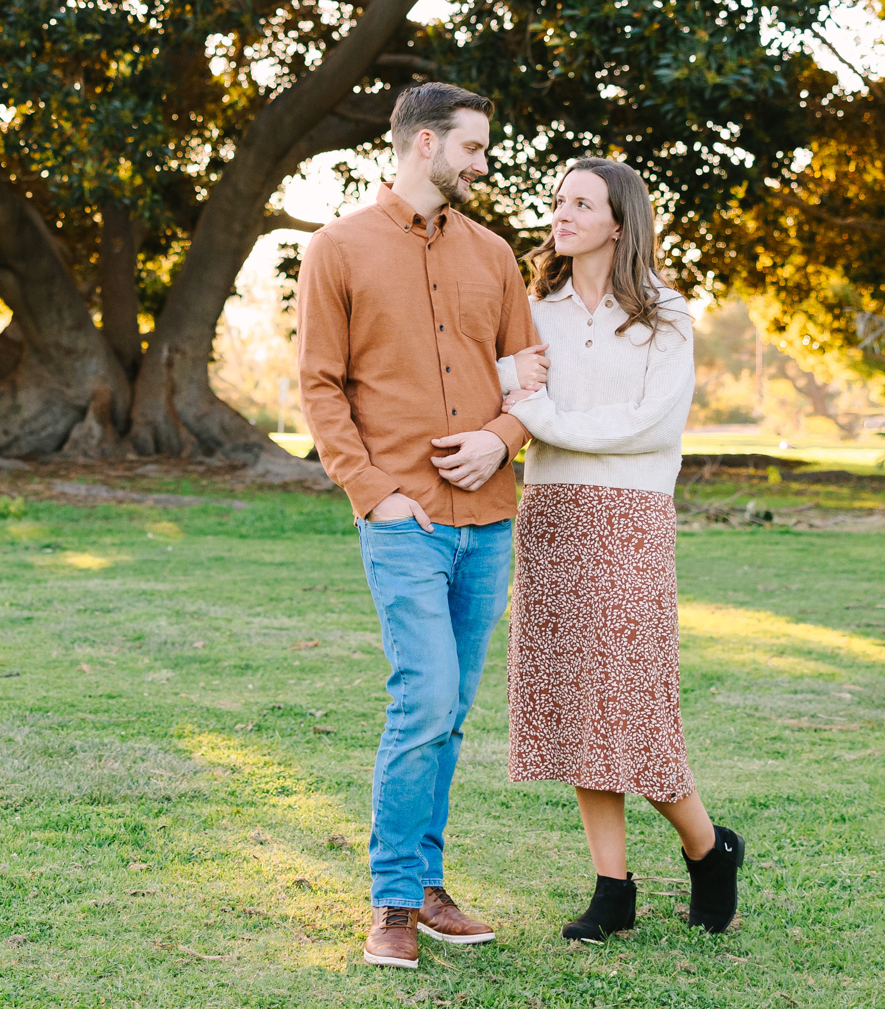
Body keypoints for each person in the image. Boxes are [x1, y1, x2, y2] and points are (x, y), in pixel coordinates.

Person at [296, 81, 550, 970]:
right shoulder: (337, 249)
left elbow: (529, 382)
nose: (484, 163)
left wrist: (501, 437)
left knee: (453, 710)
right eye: (474, 148)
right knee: (426, 698)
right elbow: (320, 386)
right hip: (402, 518)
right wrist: (371, 490)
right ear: (425, 144)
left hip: (487, 521)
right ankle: (395, 901)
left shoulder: (497, 255)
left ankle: (430, 885)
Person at [499, 156, 745, 941]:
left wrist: (547, 418)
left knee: (633, 702)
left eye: (581, 202)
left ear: (618, 220)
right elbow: (510, 389)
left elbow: (649, 424)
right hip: (552, 511)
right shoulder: (537, 309)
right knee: (575, 701)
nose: (562, 213)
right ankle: (613, 888)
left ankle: (708, 849)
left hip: (633, 516)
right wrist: (534, 413)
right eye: (558, 201)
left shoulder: (667, 316)